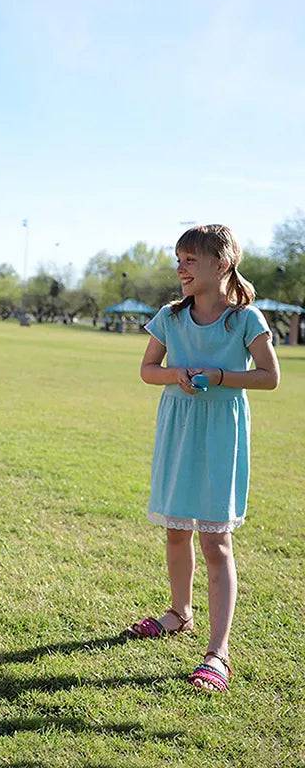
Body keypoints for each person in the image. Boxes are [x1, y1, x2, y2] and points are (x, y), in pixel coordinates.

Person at [125, 224, 279, 692]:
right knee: (176, 532)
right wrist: (179, 373)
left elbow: (270, 377)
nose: (181, 268)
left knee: (215, 543)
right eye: (179, 259)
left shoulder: (246, 319)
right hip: (178, 429)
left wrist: (220, 374)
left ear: (222, 263)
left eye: (190, 259)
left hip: (221, 434)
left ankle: (218, 652)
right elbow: (148, 371)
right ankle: (179, 613)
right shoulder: (169, 317)